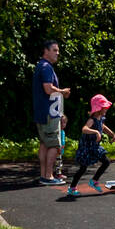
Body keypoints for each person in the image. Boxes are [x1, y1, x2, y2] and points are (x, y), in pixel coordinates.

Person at [33, 40, 70, 185]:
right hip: (49, 113)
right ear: (46, 51)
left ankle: (44, 174)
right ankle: (48, 176)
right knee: (54, 144)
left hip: (42, 112)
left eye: (58, 50)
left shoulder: (40, 66)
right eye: (54, 50)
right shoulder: (46, 67)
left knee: (44, 143)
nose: (57, 53)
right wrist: (63, 92)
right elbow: (48, 89)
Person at [67, 95, 115, 196]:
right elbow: (84, 129)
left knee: (106, 162)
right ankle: (72, 188)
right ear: (98, 108)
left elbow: (103, 126)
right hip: (87, 147)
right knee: (83, 169)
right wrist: (96, 132)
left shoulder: (101, 118)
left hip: (95, 146)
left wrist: (112, 134)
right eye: (104, 107)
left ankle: (94, 181)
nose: (106, 109)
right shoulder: (92, 120)